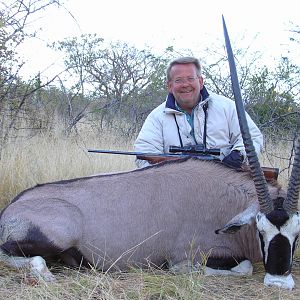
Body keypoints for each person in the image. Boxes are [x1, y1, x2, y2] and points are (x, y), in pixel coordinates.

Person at [134, 56, 263, 168]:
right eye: (178, 80)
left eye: (190, 78)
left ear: (200, 82)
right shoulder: (156, 117)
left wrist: (239, 156)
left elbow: (253, 138)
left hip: (225, 182)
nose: (185, 85)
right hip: (176, 186)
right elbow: (144, 153)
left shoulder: (227, 107)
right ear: (170, 86)